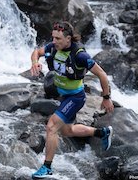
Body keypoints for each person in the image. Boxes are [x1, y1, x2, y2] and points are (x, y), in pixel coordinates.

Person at [30, 21, 114, 178]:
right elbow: (36, 52)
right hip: (64, 96)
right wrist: (35, 63)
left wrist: (106, 98)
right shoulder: (52, 47)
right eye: (53, 38)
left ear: (68, 39)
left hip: (75, 97)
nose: (54, 42)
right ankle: (102, 133)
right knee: (67, 131)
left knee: (51, 127)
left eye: (58, 39)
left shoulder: (80, 56)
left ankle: (47, 167)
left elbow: (102, 74)